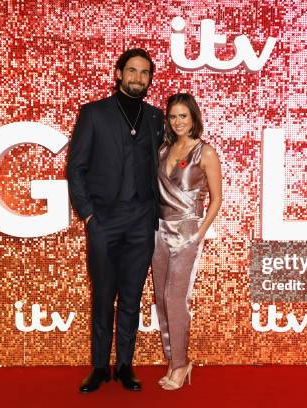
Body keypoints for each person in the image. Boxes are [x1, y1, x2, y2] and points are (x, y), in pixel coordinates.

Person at [66, 48, 164, 392]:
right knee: (104, 295)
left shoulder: (155, 118)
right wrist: (89, 215)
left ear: (150, 78)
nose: (138, 78)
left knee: (132, 296)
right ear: (119, 73)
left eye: (145, 73)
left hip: (141, 220)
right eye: (132, 71)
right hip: (104, 220)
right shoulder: (93, 113)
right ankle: (98, 367)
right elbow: (75, 168)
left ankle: (124, 365)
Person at [151, 93, 222, 391]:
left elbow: (217, 200)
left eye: (184, 116)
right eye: (173, 116)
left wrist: (198, 232)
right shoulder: (163, 150)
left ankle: (180, 365)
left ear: (194, 117)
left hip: (187, 232)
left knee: (175, 299)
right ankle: (174, 360)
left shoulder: (205, 152)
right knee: (161, 299)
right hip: (158, 231)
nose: (178, 121)